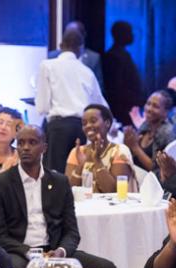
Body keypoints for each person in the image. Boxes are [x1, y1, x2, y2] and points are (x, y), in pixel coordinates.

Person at [0, 125, 116, 268]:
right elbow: (0, 235)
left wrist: (61, 252)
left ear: (44, 147)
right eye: (21, 143)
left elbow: (72, 232)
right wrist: (30, 252)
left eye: (32, 142)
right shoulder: (1, 183)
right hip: (19, 252)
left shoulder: (60, 182)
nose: (25, 148)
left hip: (53, 251)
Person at [36, 28, 107, 174]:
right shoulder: (87, 72)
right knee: (76, 174)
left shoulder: (47, 65)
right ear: (81, 48)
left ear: (61, 45)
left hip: (58, 127)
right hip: (81, 128)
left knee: (54, 177)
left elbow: (42, 106)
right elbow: (101, 106)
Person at [66, 104, 133, 192]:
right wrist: (80, 166)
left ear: (107, 123)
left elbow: (114, 192)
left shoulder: (120, 151)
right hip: (83, 205)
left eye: (93, 121)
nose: (88, 126)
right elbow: (68, 191)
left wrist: (97, 160)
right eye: (84, 123)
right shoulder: (77, 152)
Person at [103, 21, 144, 126]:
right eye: (129, 32)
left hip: (129, 109)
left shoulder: (124, 54)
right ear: (121, 34)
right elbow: (117, 89)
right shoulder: (113, 57)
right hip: (122, 111)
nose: (132, 35)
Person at [123, 90, 175, 171]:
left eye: (155, 106)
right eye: (148, 104)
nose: (149, 109)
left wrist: (135, 147)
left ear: (166, 112)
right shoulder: (145, 125)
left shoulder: (167, 133)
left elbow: (156, 170)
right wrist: (128, 145)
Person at [47, 21, 104, 89]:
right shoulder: (51, 57)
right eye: (68, 34)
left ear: (83, 35)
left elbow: (98, 88)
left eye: (75, 35)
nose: (71, 38)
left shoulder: (93, 59)